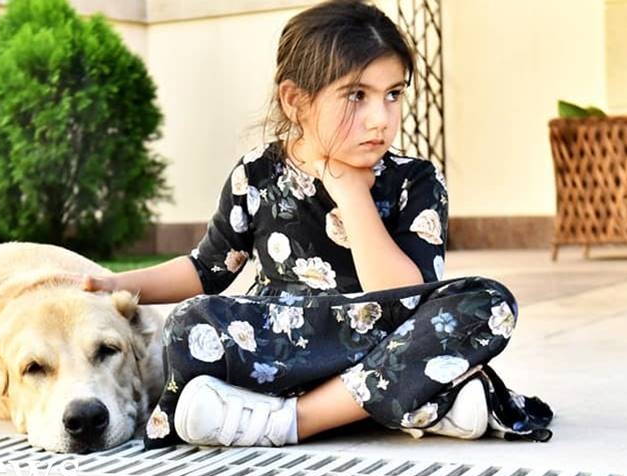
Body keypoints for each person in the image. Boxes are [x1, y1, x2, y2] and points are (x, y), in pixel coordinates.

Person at [82, 0, 553, 450]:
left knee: (488, 304)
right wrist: (117, 285)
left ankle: (291, 420)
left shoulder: (416, 182)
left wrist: (351, 194)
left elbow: (402, 296)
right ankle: (416, 401)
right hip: (284, 347)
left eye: (393, 95)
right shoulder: (257, 174)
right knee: (188, 325)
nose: (380, 119)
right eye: (356, 96)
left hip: (378, 335)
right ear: (295, 101)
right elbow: (206, 269)